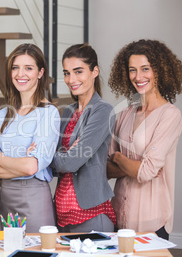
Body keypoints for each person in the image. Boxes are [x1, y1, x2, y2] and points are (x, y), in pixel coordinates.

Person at [107, 39, 182, 239]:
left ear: (159, 71)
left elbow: (146, 171)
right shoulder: (125, 114)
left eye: (145, 69)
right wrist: (127, 163)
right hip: (118, 218)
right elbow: (105, 169)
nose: (138, 76)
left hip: (152, 222)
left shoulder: (170, 115)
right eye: (132, 70)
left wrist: (118, 158)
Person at [0, 43, 60, 233]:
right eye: (15, 68)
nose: (20, 74)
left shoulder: (48, 114)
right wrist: (20, 164)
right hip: (6, 199)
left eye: (28, 68)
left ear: (40, 73)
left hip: (34, 199)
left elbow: (31, 167)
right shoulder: (2, 114)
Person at [49, 44, 116, 233]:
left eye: (78, 72)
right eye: (67, 73)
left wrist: (60, 155)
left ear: (94, 71)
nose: (71, 79)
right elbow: (53, 165)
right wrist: (64, 155)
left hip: (91, 212)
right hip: (62, 211)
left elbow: (69, 164)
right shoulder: (68, 111)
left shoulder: (103, 111)